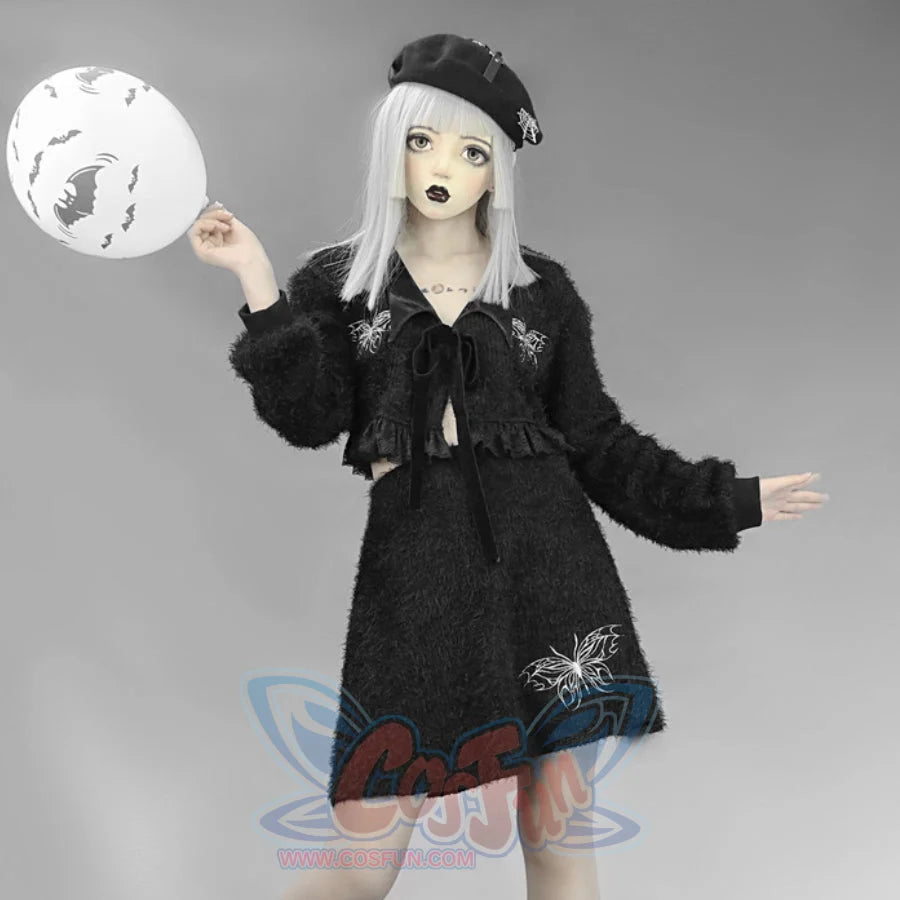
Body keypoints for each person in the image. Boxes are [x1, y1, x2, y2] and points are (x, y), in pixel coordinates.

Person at [188, 32, 828, 900]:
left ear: (498, 171)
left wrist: (729, 500)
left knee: (557, 843)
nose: (442, 166)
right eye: (421, 140)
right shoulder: (341, 283)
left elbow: (600, 443)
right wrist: (257, 282)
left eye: (473, 150)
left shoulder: (541, 291)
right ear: (391, 146)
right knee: (359, 863)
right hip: (415, 588)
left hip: (552, 581)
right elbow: (308, 418)